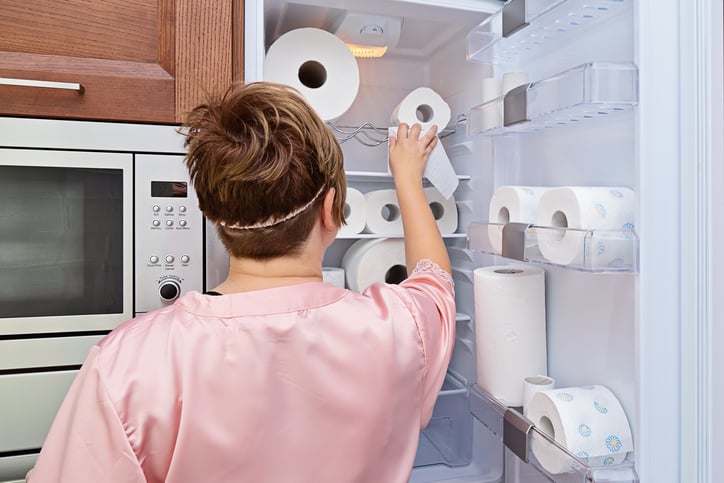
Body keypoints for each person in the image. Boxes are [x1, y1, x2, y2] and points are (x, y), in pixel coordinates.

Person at [26, 82, 456, 483]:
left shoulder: (129, 362)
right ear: (330, 210)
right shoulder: (400, 328)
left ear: (214, 215)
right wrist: (407, 178)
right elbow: (433, 283)